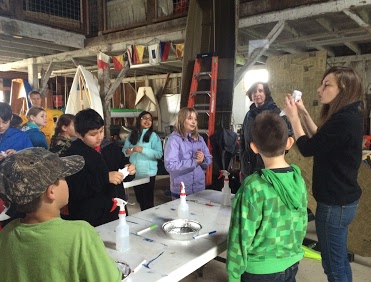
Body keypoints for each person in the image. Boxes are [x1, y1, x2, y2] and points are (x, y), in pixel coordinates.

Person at [283, 66, 364, 282]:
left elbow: (308, 148)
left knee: (333, 264)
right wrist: (303, 112)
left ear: (344, 88)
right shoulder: (348, 114)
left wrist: (293, 118)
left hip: (335, 204)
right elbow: (320, 139)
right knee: (338, 260)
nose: (320, 89)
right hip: (343, 201)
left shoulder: (345, 119)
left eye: (327, 85)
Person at [0, 148, 122, 281]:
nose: (67, 181)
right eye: (63, 177)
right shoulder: (80, 235)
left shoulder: (7, 233)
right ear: (51, 192)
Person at [227, 111, 308, 282]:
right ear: (289, 143)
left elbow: (240, 235)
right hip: (291, 263)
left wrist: (234, 275)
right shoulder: (298, 180)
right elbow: (302, 223)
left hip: (259, 270)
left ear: (254, 147)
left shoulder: (253, 187)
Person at [62, 108, 136, 227]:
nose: (99, 137)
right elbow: (75, 189)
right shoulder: (73, 156)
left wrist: (129, 170)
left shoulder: (110, 148)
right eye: (93, 134)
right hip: (90, 217)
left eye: (101, 131)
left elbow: (123, 167)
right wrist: (105, 178)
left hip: (116, 211)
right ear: (79, 135)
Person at [240, 82, 292, 180]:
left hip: (268, 168)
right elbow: (243, 137)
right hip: (248, 167)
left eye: (260, 91)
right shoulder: (249, 115)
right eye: (254, 91)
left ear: (266, 94)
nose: (257, 94)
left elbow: (286, 136)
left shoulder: (276, 113)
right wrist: (243, 160)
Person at [164, 107, 212, 198]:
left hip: (199, 189)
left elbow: (208, 159)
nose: (194, 122)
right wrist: (194, 162)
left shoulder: (199, 139)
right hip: (181, 190)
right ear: (182, 120)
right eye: (190, 118)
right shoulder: (174, 140)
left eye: (195, 119)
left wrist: (203, 160)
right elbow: (171, 166)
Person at [123, 111, 163, 211]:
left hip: (148, 172)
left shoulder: (153, 136)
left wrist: (143, 150)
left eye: (150, 119)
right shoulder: (132, 135)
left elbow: (159, 154)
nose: (147, 121)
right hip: (135, 172)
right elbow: (124, 150)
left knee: (148, 201)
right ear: (139, 120)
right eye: (144, 118)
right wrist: (127, 152)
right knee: (140, 199)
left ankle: (149, 221)